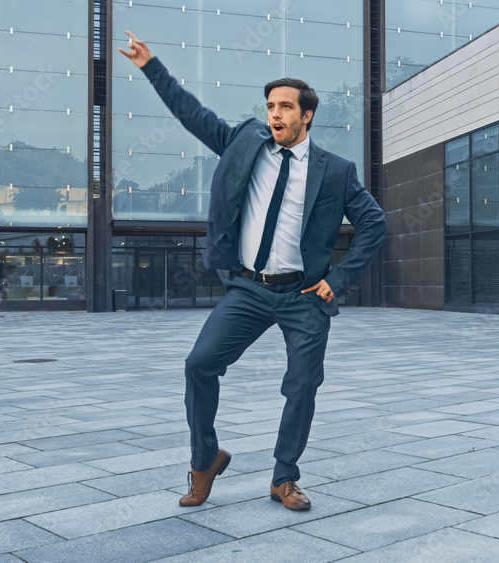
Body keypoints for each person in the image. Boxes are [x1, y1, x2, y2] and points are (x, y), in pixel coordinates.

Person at [119, 30, 386, 511]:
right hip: (248, 289)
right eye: (270, 106)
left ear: (307, 115)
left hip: (305, 294)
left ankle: (284, 477)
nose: (275, 114)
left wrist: (339, 280)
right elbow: (192, 113)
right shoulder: (244, 143)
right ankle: (206, 459)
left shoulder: (336, 170)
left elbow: (374, 223)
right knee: (199, 365)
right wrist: (150, 65)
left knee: (302, 385)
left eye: (285, 106)